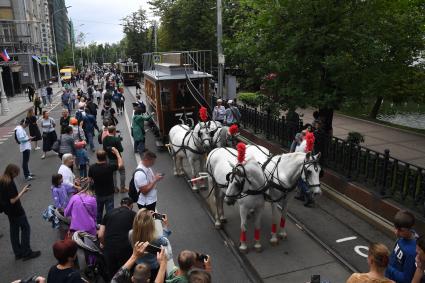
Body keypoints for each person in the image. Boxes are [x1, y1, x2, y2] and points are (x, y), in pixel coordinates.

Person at [0, 164, 41, 260]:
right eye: (16, 173)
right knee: (26, 228)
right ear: (12, 172)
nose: (17, 175)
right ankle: (26, 252)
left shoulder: (2, 180)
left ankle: (18, 253)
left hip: (8, 211)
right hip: (16, 211)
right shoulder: (9, 183)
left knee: (14, 231)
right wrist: (23, 191)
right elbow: (13, 200)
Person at [98, 197, 136, 279]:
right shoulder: (134, 214)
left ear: (120, 205)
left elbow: (100, 235)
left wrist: (105, 244)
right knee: (125, 274)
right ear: (131, 206)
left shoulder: (108, 213)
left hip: (109, 250)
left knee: (112, 274)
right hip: (125, 250)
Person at [129, 209, 171, 282]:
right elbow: (165, 242)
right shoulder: (156, 238)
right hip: (153, 266)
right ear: (151, 224)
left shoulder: (131, 233)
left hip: (139, 264)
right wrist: (165, 226)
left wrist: (145, 217)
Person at [89, 148, 124, 224]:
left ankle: (98, 226)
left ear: (97, 157)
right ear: (106, 157)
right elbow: (120, 165)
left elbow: (90, 180)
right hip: (109, 193)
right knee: (110, 212)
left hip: (98, 193)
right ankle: (109, 225)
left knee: (98, 212)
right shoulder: (110, 166)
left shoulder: (92, 168)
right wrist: (117, 153)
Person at [385, 210, 417, 283]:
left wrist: (387, 266)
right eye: (395, 228)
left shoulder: (412, 252)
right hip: (388, 276)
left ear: (410, 229)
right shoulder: (402, 237)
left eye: (401, 230)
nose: (396, 232)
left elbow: (406, 279)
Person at [103, 126, 127, 192]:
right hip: (118, 158)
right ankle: (122, 188)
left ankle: (115, 188)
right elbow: (121, 149)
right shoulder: (116, 139)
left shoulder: (105, 139)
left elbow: (104, 149)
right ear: (114, 131)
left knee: (113, 174)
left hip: (109, 159)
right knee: (122, 172)